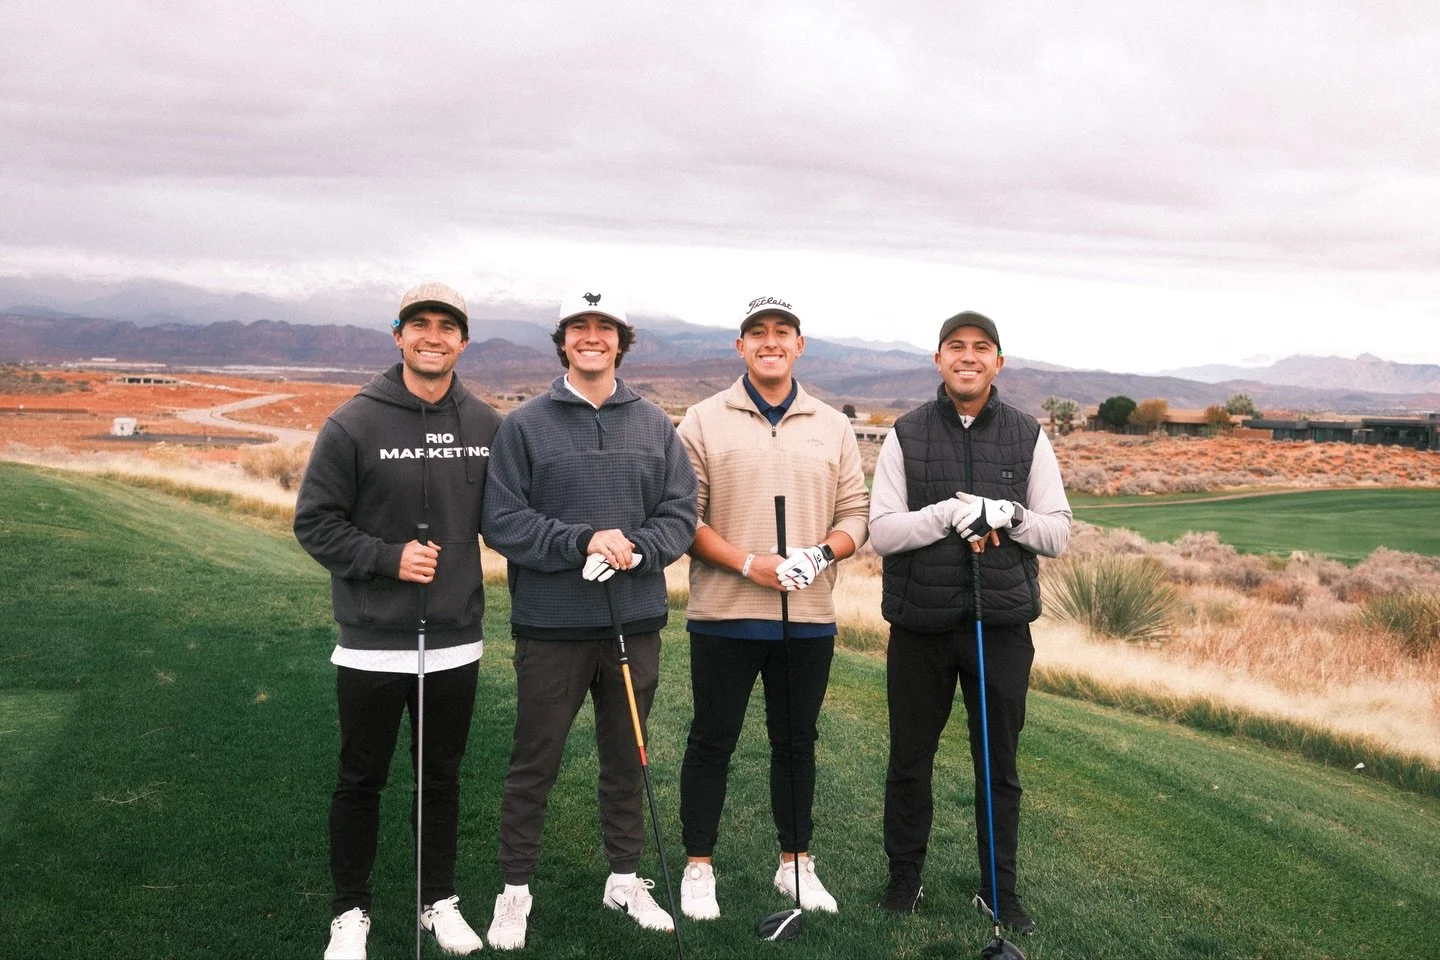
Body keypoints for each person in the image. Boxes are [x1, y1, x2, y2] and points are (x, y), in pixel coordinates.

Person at [479, 290, 698, 951]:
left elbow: (679, 515)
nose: (592, 337)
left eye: (605, 328)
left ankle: (625, 878)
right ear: (564, 341)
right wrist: (581, 541)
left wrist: (637, 548)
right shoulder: (525, 424)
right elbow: (503, 521)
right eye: (580, 328)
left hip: (634, 623)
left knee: (626, 761)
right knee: (533, 763)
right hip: (551, 628)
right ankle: (514, 891)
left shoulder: (655, 425)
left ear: (622, 342)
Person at [294, 282, 503, 959]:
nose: (433, 336)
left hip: (454, 640)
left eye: (447, 326)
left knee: (439, 779)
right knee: (361, 780)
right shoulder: (354, 422)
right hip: (372, 642)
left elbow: (508, 520)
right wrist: (386, 558)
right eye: (420, 324)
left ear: (463, 342)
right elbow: (315, 523)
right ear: (398, 335)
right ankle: (350, 912)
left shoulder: (486, 425)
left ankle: (436, 902)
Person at [869, 310, 1071, 935]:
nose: (968, 357)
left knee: (998, 766)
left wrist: (1005, 513)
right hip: (921, 626)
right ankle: (905, 879)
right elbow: (882, 532)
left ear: (998, 362)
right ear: (938, 360)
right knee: (910, 760)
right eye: (955, 347)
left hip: (1000, 627)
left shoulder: (1027, 435)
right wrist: (948, 515)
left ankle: (998, 890)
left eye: (981, 348)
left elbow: (1057, 533)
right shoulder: (905, 434)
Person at [673, 296, 870, 920]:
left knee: (796, 743)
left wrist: (821, 554)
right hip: (725, 611)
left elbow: (856, 516)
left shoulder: (833, 424)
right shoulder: (702, 420)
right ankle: (699, 865)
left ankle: (795, 863)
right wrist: (747, 563)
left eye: (782, 332)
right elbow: (684, 519)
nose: (770, 342)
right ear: (741, 347)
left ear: (799, 345)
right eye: (757, 333)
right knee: (712, 740)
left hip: (807, 615)